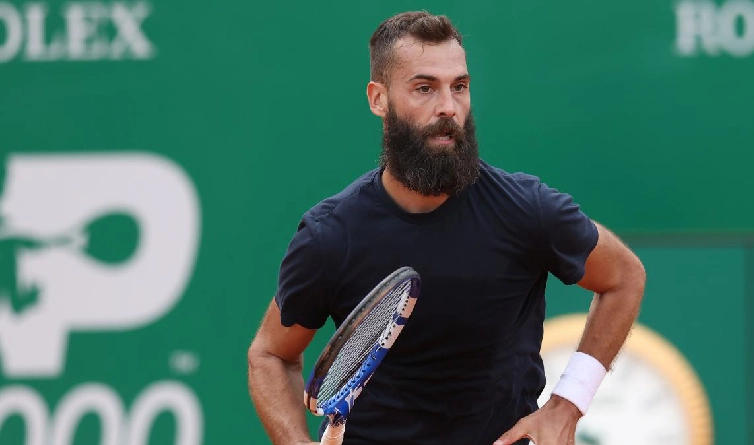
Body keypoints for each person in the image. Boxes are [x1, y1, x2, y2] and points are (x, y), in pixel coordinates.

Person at [248, 11, 645, 445]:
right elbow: (271, 354)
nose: (448, 107)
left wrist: (566, 405)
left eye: (460, 86)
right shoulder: (330, 236)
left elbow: (623, 277)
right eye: (424, 88)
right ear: (378, 99)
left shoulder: (526, 210)